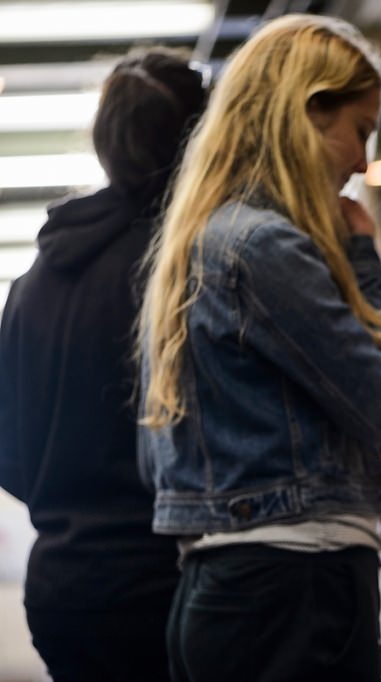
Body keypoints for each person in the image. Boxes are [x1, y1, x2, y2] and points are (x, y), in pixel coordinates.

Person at [136, 15, 381, 681]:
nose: (364, 161)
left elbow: (160, 460)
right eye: (361, 129)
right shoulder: (264, 248)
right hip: (295, 586)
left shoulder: (203, 243)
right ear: (309, 113)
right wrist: (363, 259)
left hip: (233, 587)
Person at [0, 48, 205, 682]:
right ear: (200, 139)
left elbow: (7, 451)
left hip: (63, 585)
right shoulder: (187, 270)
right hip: (165, 587)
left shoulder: (32, 282)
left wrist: (72, 504)